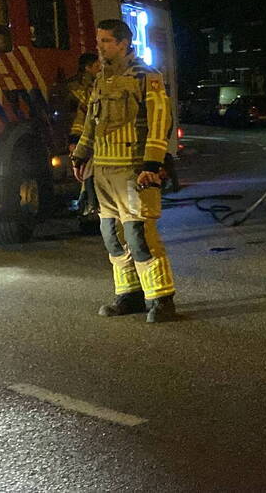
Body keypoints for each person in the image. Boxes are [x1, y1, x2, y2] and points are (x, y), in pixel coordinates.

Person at [71, 19, 177, 323]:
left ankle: (161, 299)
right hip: (104, 171)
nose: (100, 47)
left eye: (106, 41)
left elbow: (160, 122)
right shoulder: (101, 80)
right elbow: (92, 123)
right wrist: (81, 156)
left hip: (133, 171)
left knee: (139, 234)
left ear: (123, 43)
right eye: (98, 41)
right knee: (112, 236)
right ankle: (129, 294)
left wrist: (152, 165)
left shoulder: (147, 76)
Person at [65, 53, 101, 217]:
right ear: (87, 68)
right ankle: (89, 206)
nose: (99, 68)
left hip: (80, 136)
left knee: (87, 171)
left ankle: (88, 205)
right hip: (84, 136)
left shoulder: (78, 86)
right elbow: (82, 117)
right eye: (96, 65)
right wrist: (75, 139)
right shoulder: (85, 89)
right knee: (88, 171)